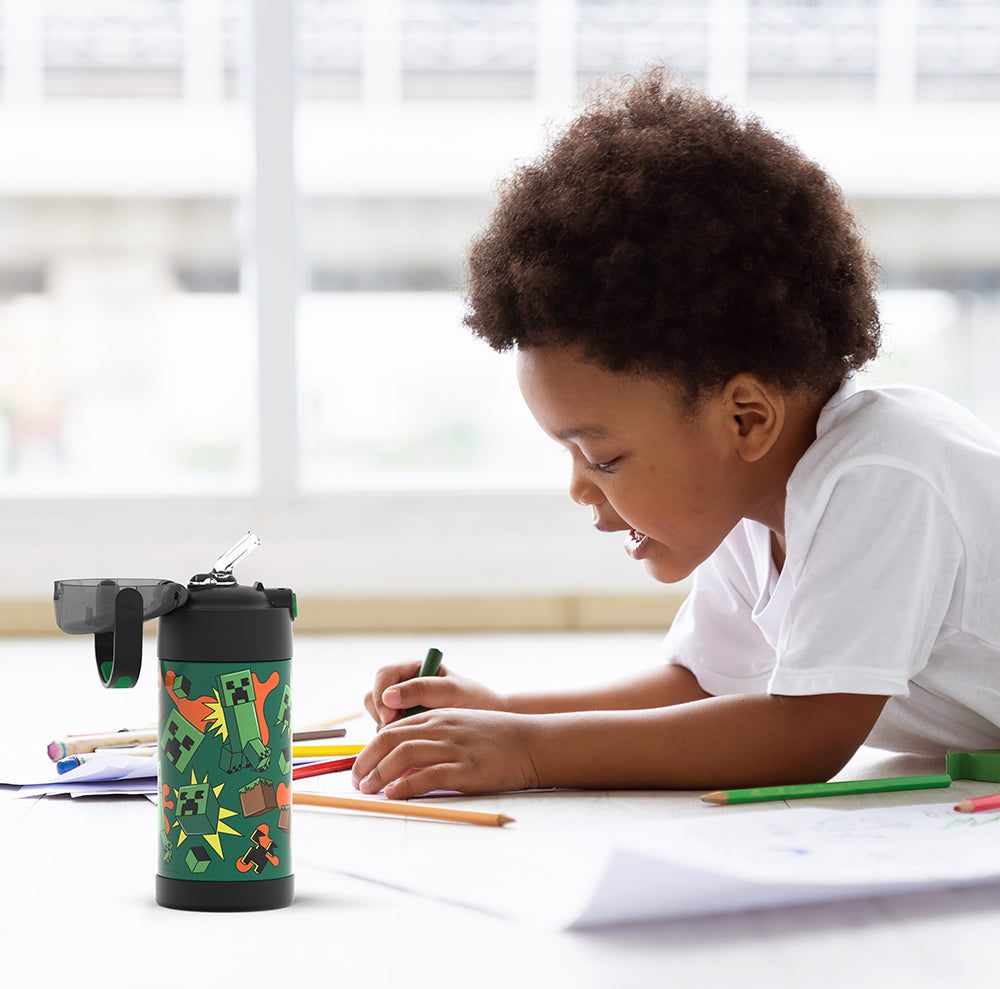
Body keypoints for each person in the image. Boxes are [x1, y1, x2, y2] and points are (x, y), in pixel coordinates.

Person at [352, 67, 1000, 800]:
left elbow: (805, 735)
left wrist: (528, 751)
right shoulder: (753, 501)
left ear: (745, 418)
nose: (578, 487)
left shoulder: (883, 474)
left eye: (602, 457)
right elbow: (700, 687)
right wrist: (501, 715)